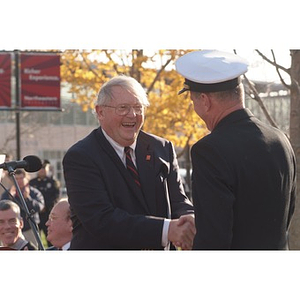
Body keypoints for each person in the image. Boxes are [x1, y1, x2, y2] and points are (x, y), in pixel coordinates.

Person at [175, 50, 296, 250]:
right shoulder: (280, 139)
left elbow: (213, 240)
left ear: (205, 100)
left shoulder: (209, 151)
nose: (194, 107)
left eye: (193, 100)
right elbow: (286, 214)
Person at [63, 75, 196, 250]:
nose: (132, 115)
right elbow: (101, 220)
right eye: (123, 108)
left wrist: (189, 220)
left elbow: (178, 200)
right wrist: (166, 230)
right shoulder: (81, 157)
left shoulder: (162, 148)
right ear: (100, 112)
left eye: (138, 107)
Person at [1, 169, 45, 248]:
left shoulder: (34, 192)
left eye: (21, 178)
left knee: (32, 248)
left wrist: (28, 198)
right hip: (12, 228)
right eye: (16, 178)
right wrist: (10, 198)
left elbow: (40, 206)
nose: (19, 181)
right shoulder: (8, 193)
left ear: (27, 178)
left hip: (30, 228)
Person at [30, 160, 60, 246]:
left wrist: (45, 206)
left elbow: (56, 198)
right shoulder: (32, 183)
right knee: (36, 239)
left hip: (48, 214)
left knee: (50, 239)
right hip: (36, 214)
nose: (42, 170)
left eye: (44, 168)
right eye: (40, 169)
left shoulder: (53, 183)